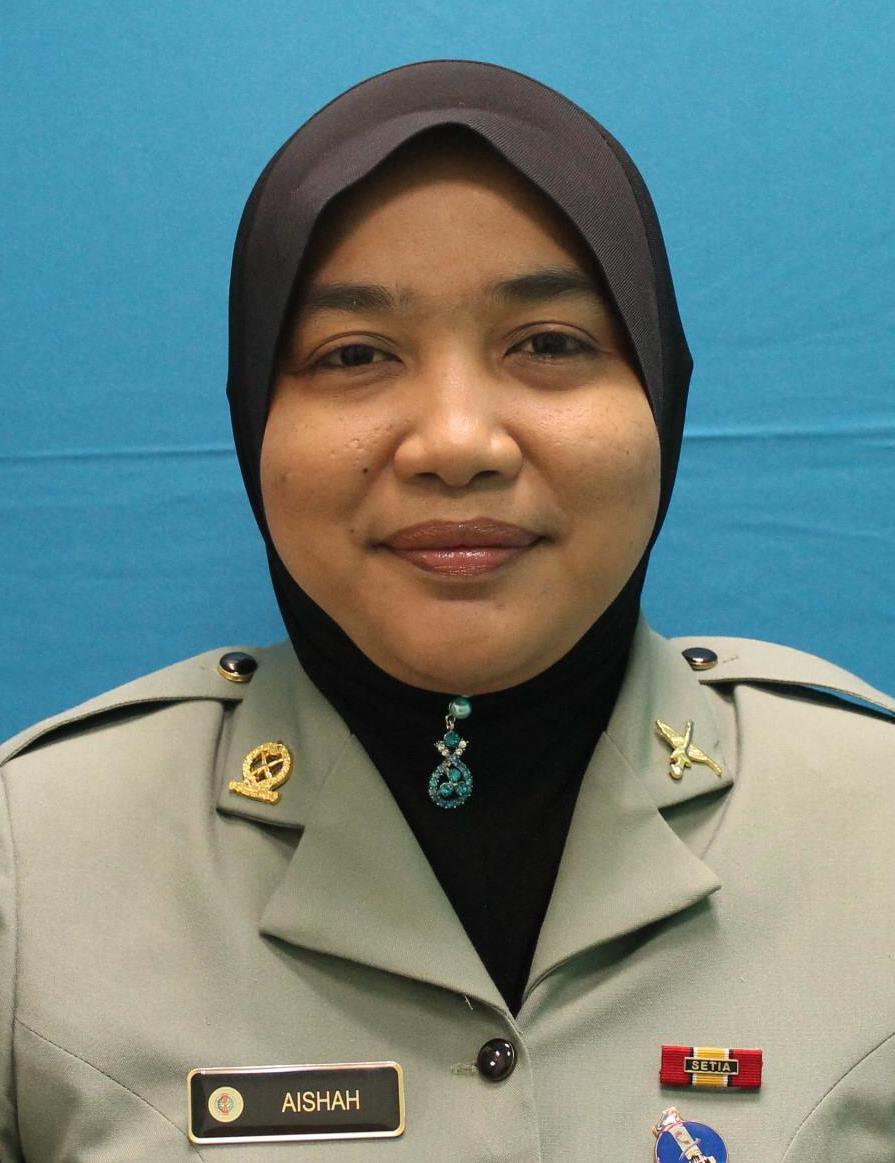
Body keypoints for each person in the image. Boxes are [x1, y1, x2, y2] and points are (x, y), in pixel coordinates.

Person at [1, 60, 892, 1162]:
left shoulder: (873, 822)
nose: (457, 443)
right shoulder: (33, 860)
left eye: (549, 344)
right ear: (254, 409)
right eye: (355, 355)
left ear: (660, 388)